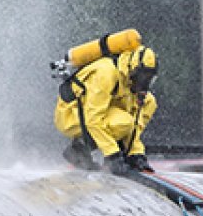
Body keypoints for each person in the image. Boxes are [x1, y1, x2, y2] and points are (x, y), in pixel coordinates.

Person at [54, 45, 158, 175]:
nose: (145, 83)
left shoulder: (128, 78)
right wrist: (112, 155)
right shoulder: (106, 73)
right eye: (143, 77)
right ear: (134, 69)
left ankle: (125, 149)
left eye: (149, 79)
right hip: (71, 114)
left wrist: (136, 153)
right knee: (124, 122)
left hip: (96, 112)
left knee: (149, 102)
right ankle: (79, 149)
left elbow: (136, 119)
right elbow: (92, 119)